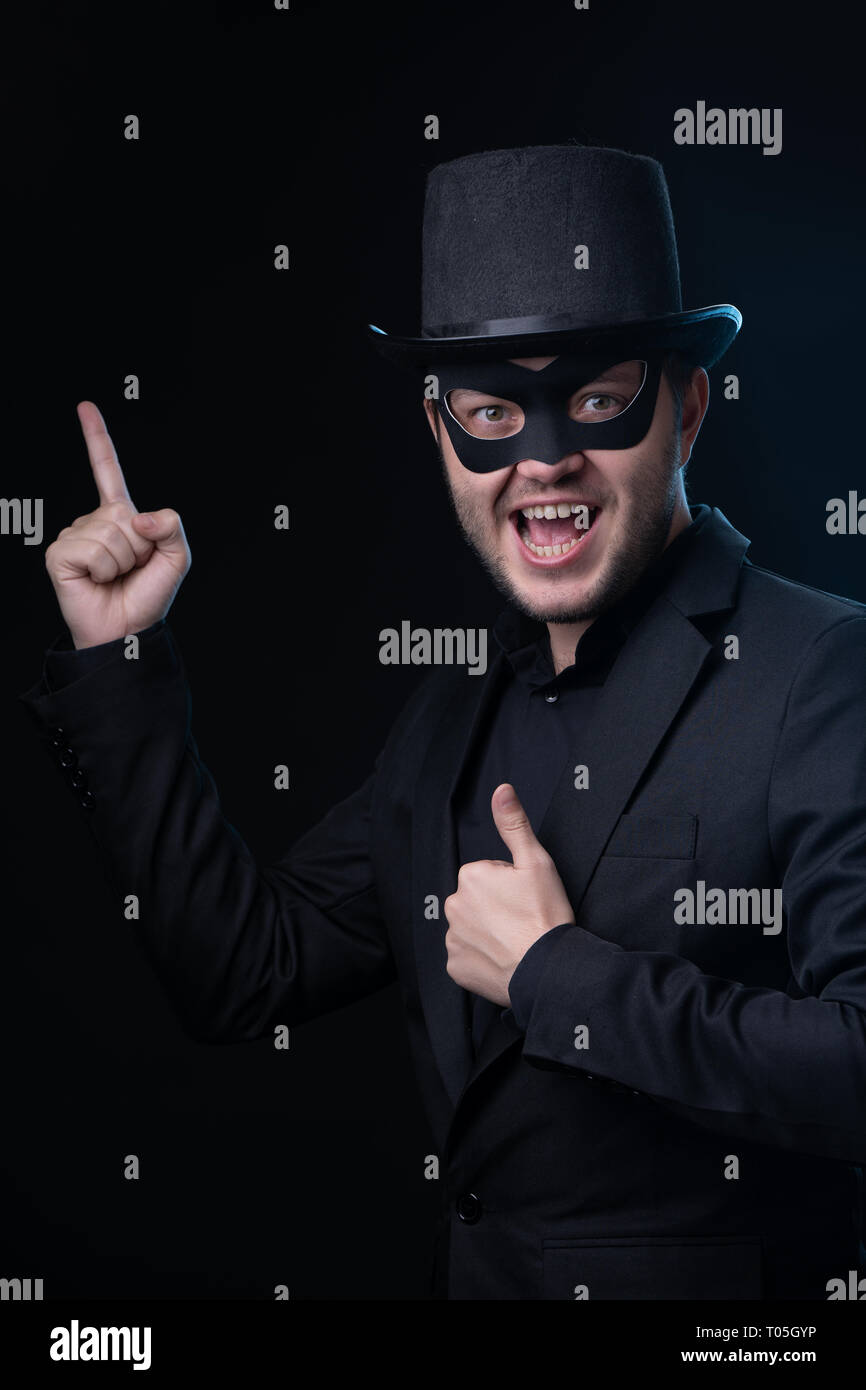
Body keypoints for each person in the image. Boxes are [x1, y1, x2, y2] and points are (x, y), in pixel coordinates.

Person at [20, 145, 866, 1300]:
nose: (543, 457)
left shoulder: (821, 668)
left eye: (597, 399)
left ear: (685, 403)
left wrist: (557, 979)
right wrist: (119, 658)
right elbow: (241, 972)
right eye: (488, 411)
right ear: (439, 437)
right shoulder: (447, 720)